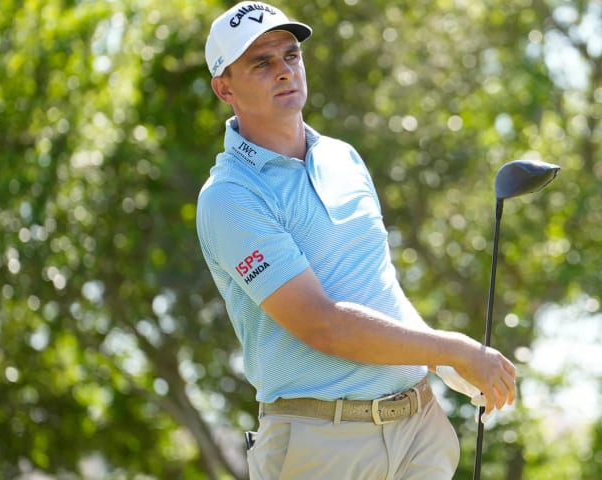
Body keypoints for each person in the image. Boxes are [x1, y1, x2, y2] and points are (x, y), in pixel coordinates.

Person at [196, 2, 517, 478]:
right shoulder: (230, 197)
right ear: (224, 88)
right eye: (261, 63)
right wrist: (450, 348)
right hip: (323, 446)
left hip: (420, 430)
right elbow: (322, 325)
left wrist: (435, 363)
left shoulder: (342, 157)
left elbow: (374, 282)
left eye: (290, 56)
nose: (284, 71)